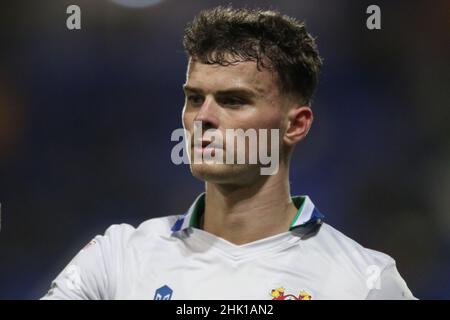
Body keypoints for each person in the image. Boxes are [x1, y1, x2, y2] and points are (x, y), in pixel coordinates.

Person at [42, 6, 415, 300]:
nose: (202, 118)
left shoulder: (365, 282)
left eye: (233, 101)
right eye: (193, 98)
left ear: (296, 125)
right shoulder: (116, 260)